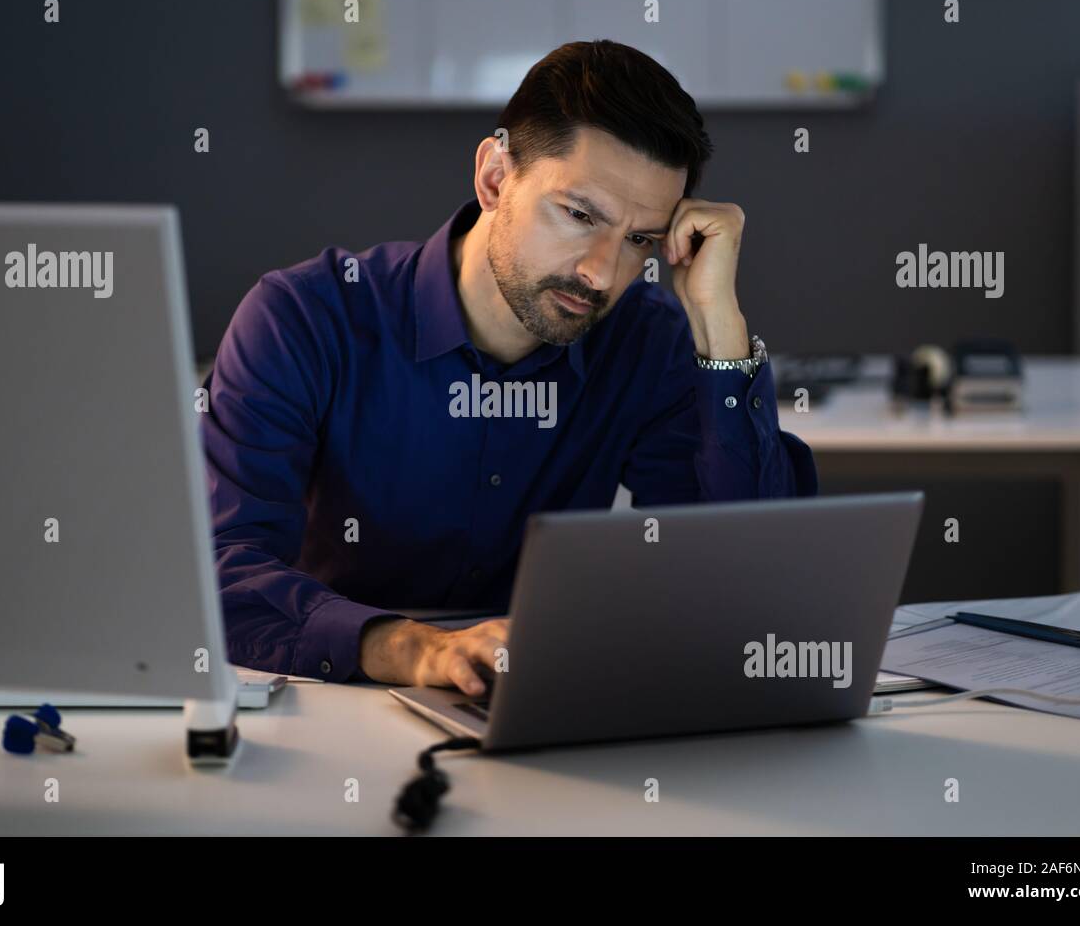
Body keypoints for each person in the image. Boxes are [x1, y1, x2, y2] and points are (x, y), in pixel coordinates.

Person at [202, 40, 817, 698]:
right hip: (331, 703)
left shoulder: (645, 339)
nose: (601, 273)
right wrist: (411, 648)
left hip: (527, 702)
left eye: (641, 241)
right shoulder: (302, 318)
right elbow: (220, 570)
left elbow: (750, 589)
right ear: (496, 177)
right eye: (579, 215)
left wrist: (719, 326)